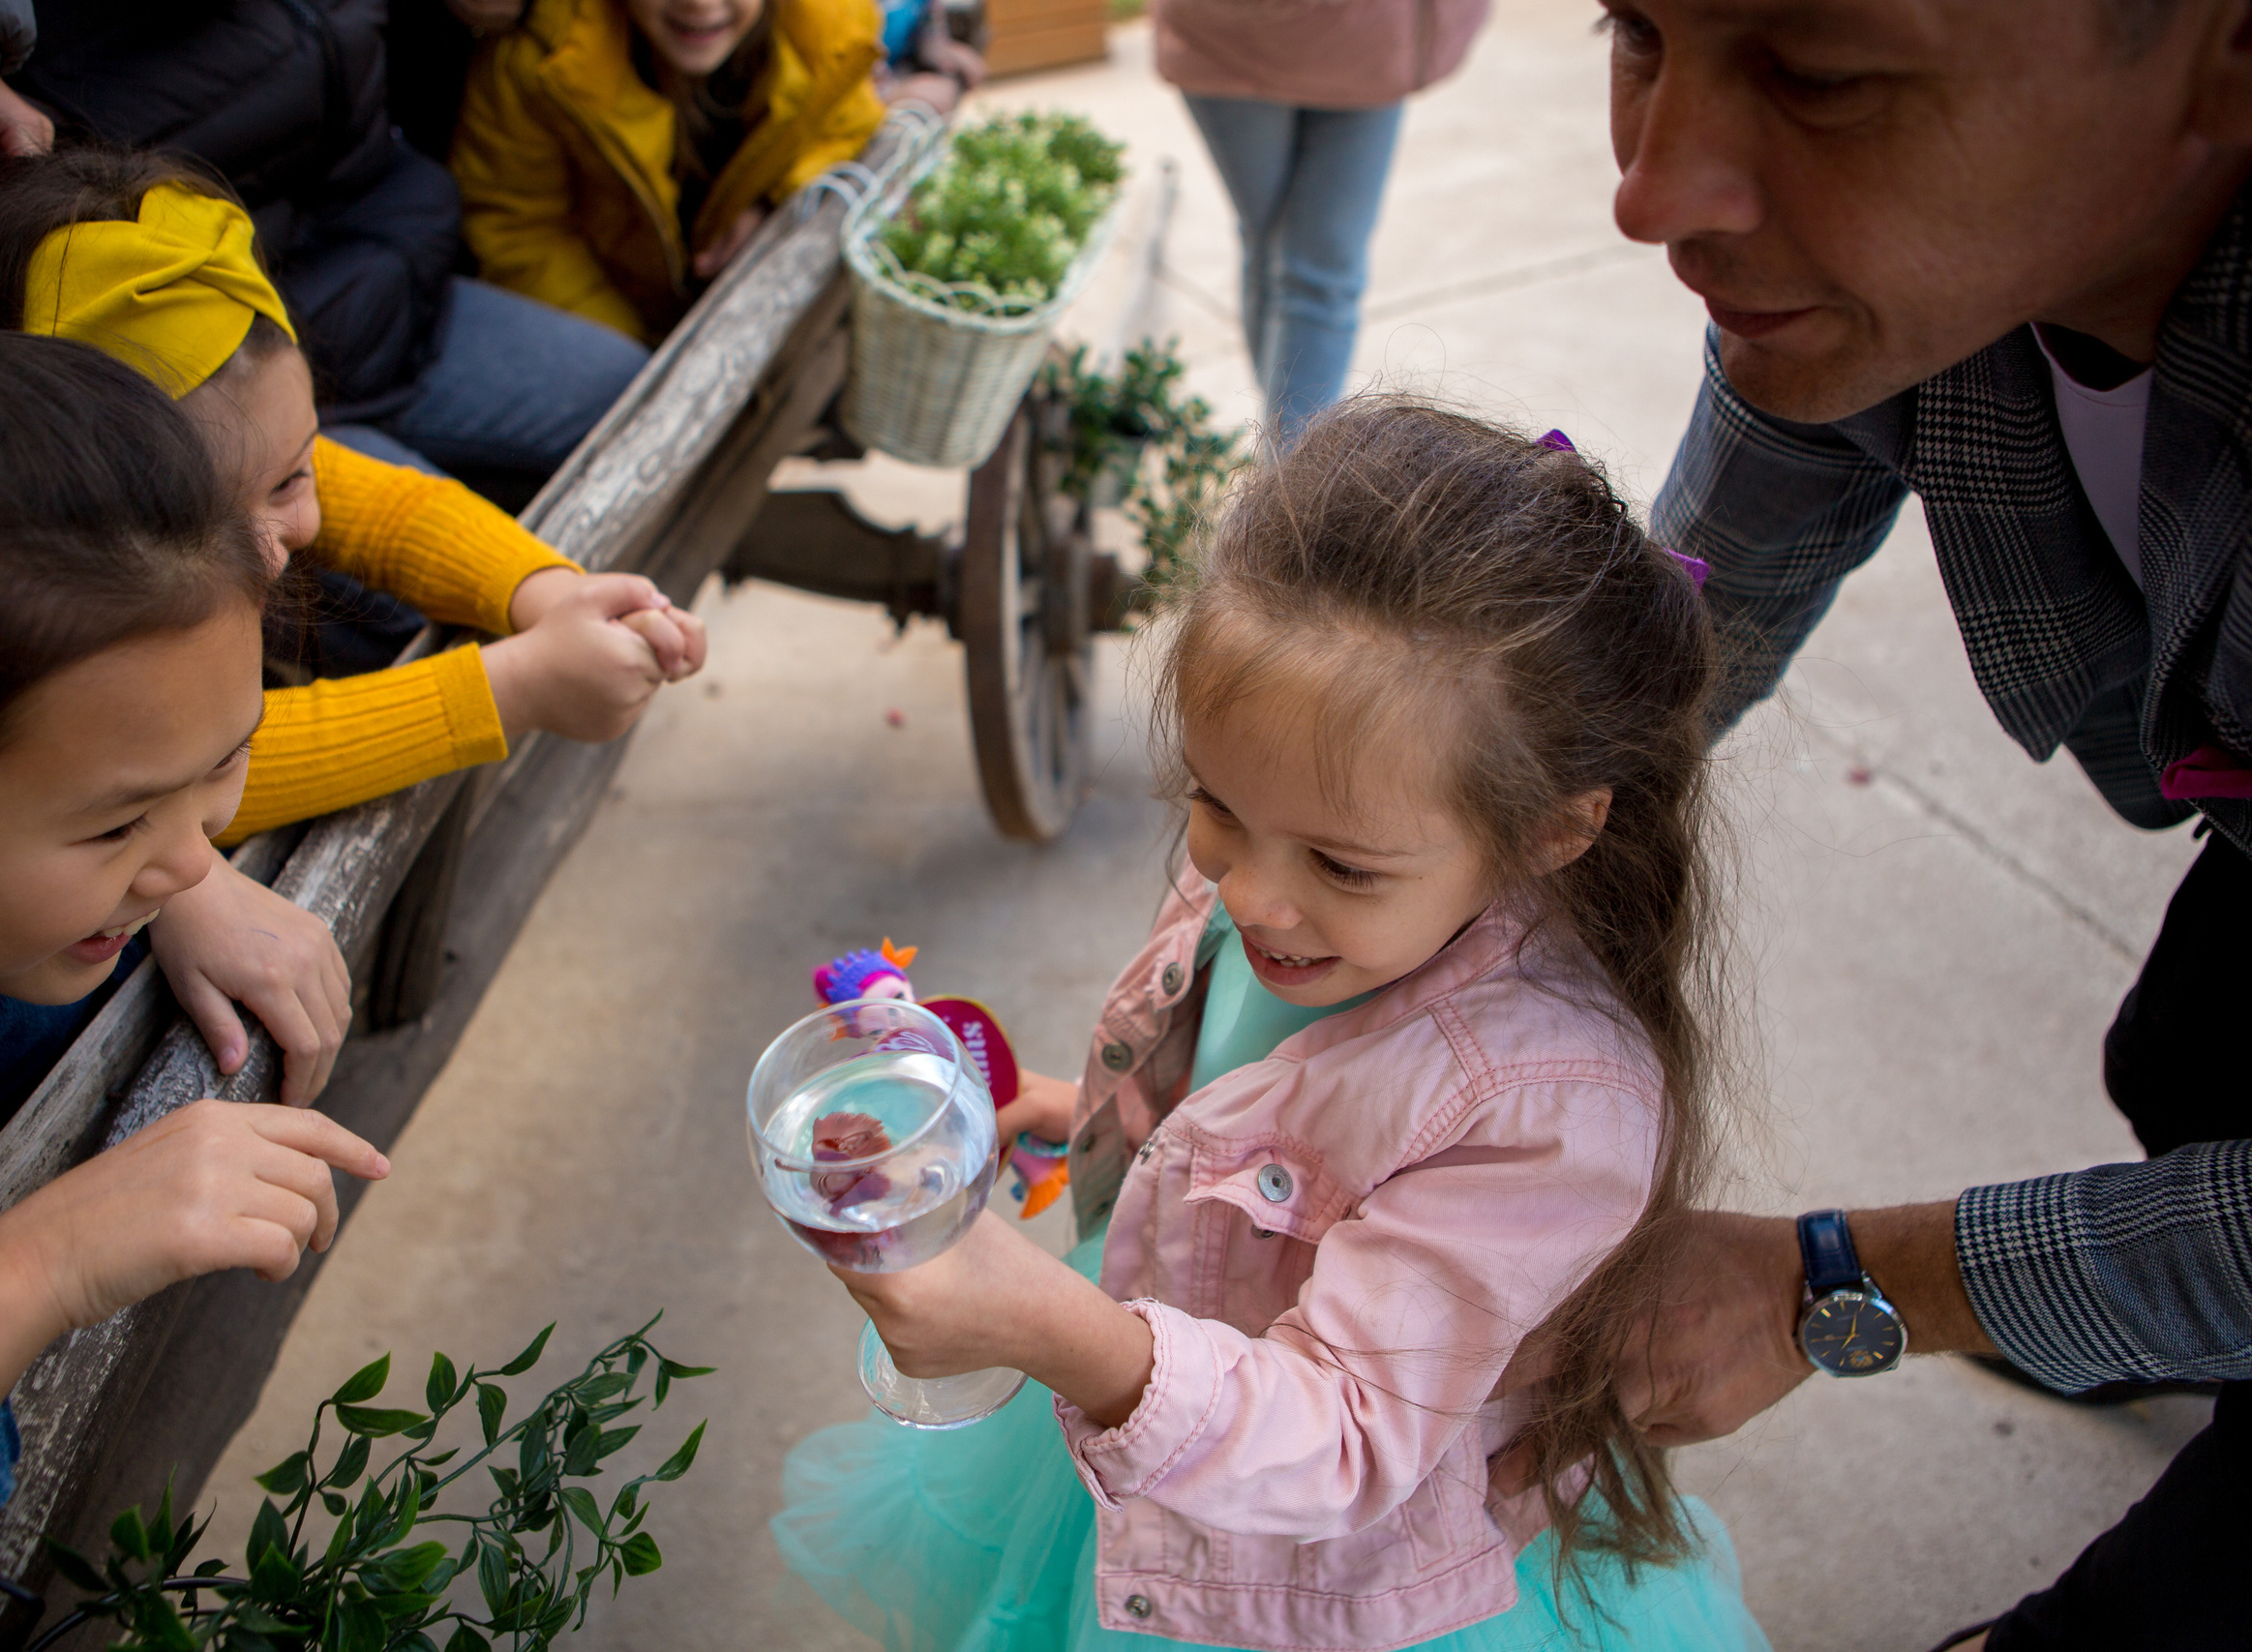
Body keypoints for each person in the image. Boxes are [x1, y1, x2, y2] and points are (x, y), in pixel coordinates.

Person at [774, 398, 1770, 1652]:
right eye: (1216, 807)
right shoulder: (1307, 876)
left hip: (1309, 1568)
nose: (1249, 895)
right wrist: (1068, 1110)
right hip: (1162, 1411)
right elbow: (1239, 1104)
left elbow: (1351, 1435)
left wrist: (1044, 1326)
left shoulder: (1551, 1104)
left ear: (1549, 830)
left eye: (1341, 864)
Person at [1592, 2, 2252, 1646]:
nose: (1651, 192)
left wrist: (1830, 1280)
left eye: (1821, 76)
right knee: (2190, 1049)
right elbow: (1679, 637)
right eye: (1635, 30)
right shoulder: (1901, 288)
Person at [0, 267, 392, 1652]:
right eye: (116, 820)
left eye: (222, 768)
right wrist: (42, 1262)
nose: (187, 856)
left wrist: (170, 864)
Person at [0, 147, 707, 850]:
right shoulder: (27, 615)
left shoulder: (232, 437)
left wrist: (548, 591)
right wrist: (514, 685)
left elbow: (393, 511)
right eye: (208, 521)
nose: (278, 540)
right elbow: (204, 782)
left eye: (294, 474)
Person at [0, 0, 656, 508]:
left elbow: (401, 171)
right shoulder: (12, 83)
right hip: (235, 394)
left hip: (377, 313)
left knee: (639, 403)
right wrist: (277, 397)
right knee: (422, 569)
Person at [449, 0, 887, 347]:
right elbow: (519, 229)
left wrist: (771, 198)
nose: (699, 4)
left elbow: (843, 122)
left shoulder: (823, 29)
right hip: (614, 321)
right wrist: (628, 352)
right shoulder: (537, 60)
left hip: (750, 322)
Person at [1151, 0, 1486, 434]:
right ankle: (1291, 466)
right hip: (1307, 37)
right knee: (1312, 271)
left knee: (1284, 252)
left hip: (1341, 40)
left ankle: (1284, 450)